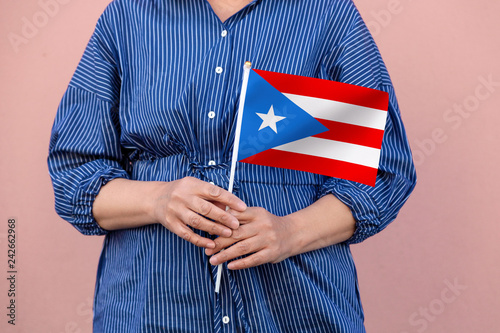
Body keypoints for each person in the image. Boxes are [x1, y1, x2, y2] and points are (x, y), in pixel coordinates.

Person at [47, 0, 416, 332]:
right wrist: (158, 198)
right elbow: (74, 176)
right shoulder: (128, 16)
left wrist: (291, 231)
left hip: (296, 307)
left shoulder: (327, 13)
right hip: (148, 306)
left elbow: (383, 169)